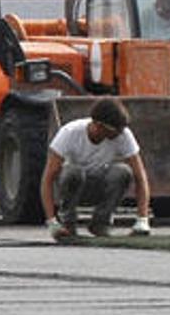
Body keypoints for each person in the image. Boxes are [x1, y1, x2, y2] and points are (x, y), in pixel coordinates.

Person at [41, 98, 152, 241]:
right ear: (98, 125)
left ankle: (100, 223)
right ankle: (67, 223)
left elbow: (140, 176)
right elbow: (47, 179)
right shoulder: (69, 133)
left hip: (98, 186)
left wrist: (142, 220)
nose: (119, 135)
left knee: (123, 172)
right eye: (114, 131)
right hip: (72, 187)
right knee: (73, 172)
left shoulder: (123, 135)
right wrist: (52, 222)